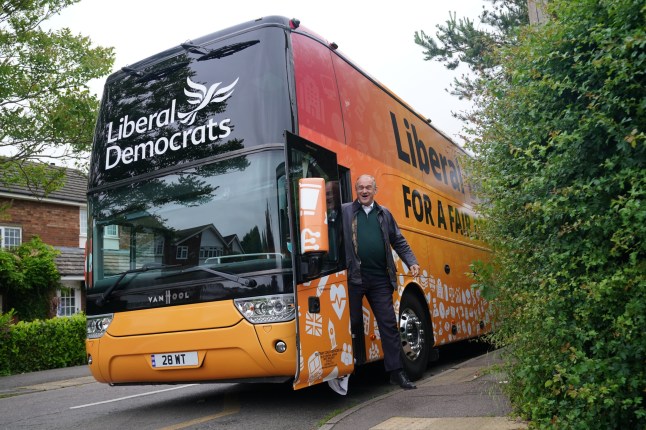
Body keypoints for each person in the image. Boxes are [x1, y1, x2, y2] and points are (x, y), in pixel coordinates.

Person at [341, 174, 420, 390]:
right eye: (360, 188)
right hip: (354, 278)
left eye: (368, 187)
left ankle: (396, 372)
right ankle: (348, 370)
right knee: (351, 323)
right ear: (356, 190)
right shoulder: (345, 211)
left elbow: (399, 241)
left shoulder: (384, 214)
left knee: (388, 325)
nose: (364, 191)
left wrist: (411, 262)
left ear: (375, 190)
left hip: (380, 279)